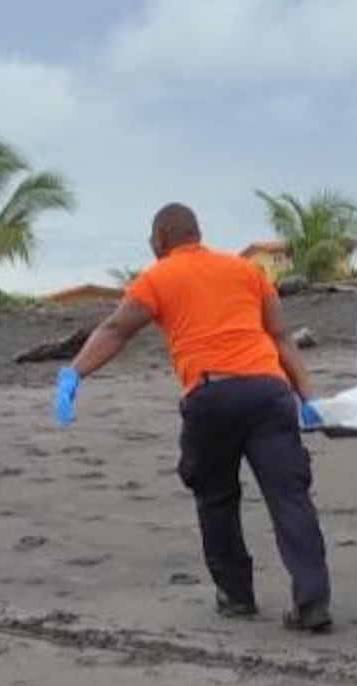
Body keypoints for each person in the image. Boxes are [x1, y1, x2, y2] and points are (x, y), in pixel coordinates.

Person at [51, 203, 333, 633]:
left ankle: (236, 595)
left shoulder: (157, 276)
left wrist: (74, 373)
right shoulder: (246, 271)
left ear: (161, 238)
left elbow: (115, 330)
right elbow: (279, 336)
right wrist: (306, 396)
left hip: (212, 394)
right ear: (196, 233)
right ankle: (312, 600)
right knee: (289, 495)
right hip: (268, 390)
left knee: (216, 496)